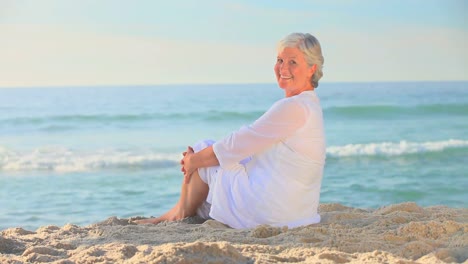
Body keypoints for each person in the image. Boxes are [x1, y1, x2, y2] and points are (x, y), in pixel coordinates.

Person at [136, 32, 326, 228]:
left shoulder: (292, 107)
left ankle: (178, 214)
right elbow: (249, 149)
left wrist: (193, 160)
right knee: (210, 165)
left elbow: (239, 143)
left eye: (293, 62)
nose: (283, 68)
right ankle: (181, 211)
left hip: (270, 212)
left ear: (311, 69)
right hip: (297, 213)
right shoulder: (310, 104)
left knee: (203, 150)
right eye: (280, 60)